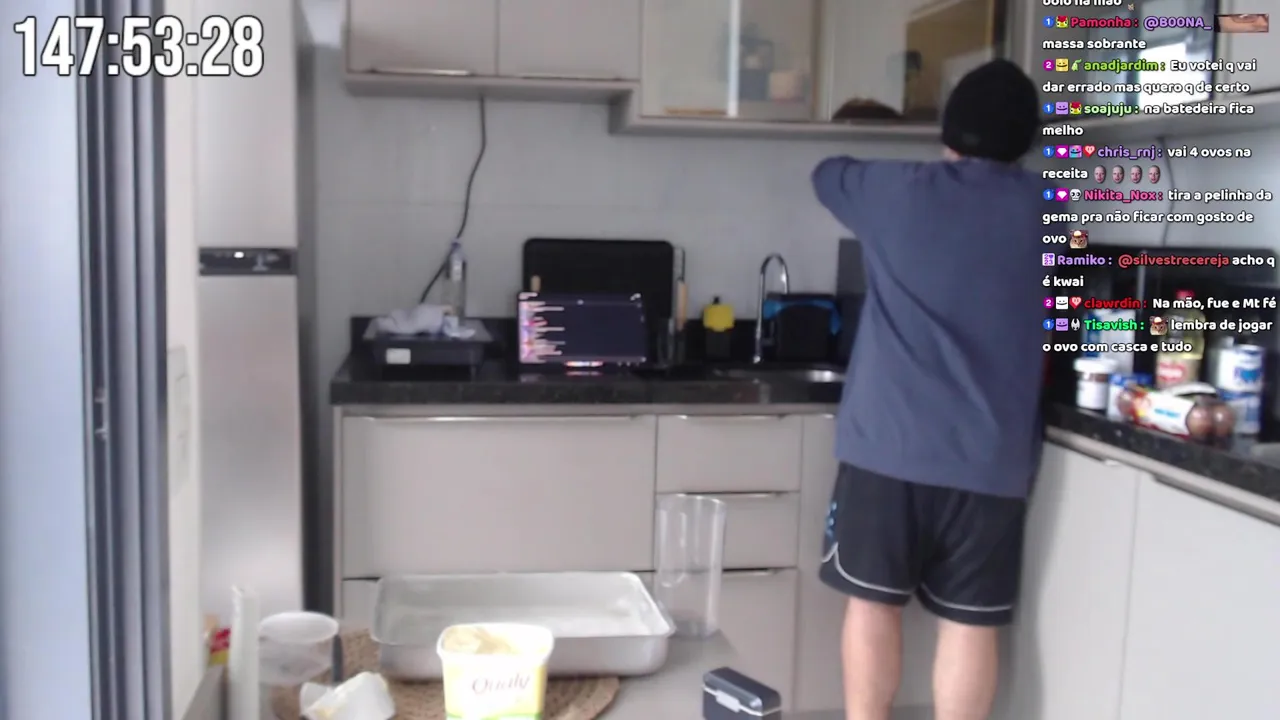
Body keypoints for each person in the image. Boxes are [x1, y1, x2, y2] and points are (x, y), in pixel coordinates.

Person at [810, 58, 1050, 720]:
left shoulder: (896, 191)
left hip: (889, 449)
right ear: (1027, 140)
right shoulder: (1048, 210)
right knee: (971, 621)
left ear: (948, 130)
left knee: (871, 603)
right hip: (990, 461)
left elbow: (826, 172)